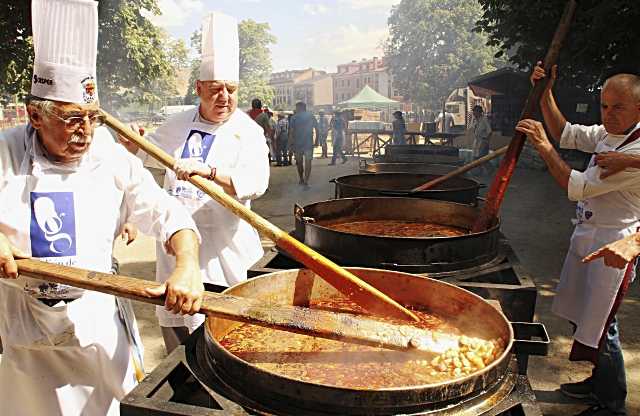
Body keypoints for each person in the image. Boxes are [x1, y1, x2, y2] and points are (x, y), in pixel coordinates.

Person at [0, 1, 204, 414]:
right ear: (36, 115)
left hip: (97, 336)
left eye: (93, 118)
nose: (86, 132)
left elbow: (169, 215)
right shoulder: (5, 152)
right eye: (73, 119)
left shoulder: (110, 158)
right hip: (22, 338)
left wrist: (187, 264)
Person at [119, 12, 269, 354]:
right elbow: (145, 156)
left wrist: (210, 173)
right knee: (178, 341)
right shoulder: (177, 123)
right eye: (215, 90)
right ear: (199, 88)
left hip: (225, 254)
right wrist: (132, 145)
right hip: (175, 253)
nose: (224, 98)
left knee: (226, 341)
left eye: (230, 90)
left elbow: (256, 182)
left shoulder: (248, 131)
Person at [516, 61, 640, 416]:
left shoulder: (631, 155)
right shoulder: (607, 134)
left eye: (618, 107)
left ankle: (611, 403)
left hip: (615, 243)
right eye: (605, 106)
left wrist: (541, 145)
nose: (609, 114)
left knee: (603, 326)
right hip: (586, 234)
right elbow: (567, 132)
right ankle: (596, 383)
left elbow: (577, 187)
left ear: (639, 109)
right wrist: (546, 93)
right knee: (580, 317)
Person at [288, 101, 319, 186]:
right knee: (308, 162)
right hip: (308, 143)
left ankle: (301, 178)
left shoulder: (294, 118)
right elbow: (317, 129)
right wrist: (316, 140)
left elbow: (291, 132)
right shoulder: (311, 116)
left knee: (299, 162)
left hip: (297, 144)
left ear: (299, 108)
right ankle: (306, 180)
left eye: (296, 108)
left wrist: (290, 144)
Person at [470, 105, 492, 175]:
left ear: (479, 112)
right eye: (473, 112)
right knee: (475, 157)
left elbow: (489, 131)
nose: (474, 114)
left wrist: (486, 141)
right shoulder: (476, 120)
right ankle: (478, 172)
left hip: (483, 141)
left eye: (475, 112)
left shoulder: (484, 120)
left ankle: (490, 170)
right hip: (477, 141)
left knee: (482, 158)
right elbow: (472, 128)